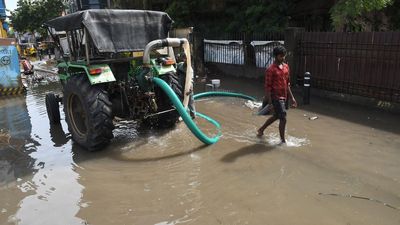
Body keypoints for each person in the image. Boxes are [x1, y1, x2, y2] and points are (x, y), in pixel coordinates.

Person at [257, 46, 297, 144]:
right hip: (275, 97)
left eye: (284, 56)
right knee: (283, 117)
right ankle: (283, 141)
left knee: (276, 116)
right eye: (281, 56)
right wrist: (270, 102)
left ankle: (261, 129)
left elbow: (287, 84)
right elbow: (268, 87)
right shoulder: (270, 70)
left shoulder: (286, 67)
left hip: (284, 96)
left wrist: (292, 98)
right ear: (275, 56)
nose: (283, 58)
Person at [176, 52, 196, 119]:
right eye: (184, 58)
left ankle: (193, 116)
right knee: (180, 101)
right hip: (180, 86)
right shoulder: (180, 65)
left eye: (187, 59)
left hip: (187, 87)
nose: (185, 60)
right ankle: (180, 115)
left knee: (190, 102)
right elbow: (176, 74)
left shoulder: (190, 70)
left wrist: (190, 89)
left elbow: (191, 80)